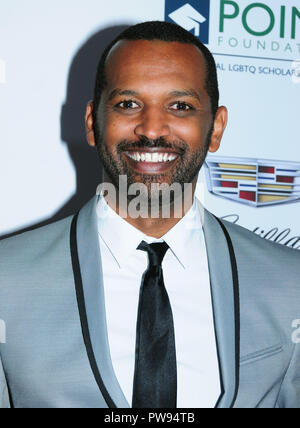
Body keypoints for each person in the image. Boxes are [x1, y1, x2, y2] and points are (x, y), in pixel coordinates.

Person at [0, 21, 300, 409]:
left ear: (216, 127)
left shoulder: (291, 283)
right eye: (128, 104)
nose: (152, 128)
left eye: (181, 106)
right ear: (93, 123)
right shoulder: (6, 280)